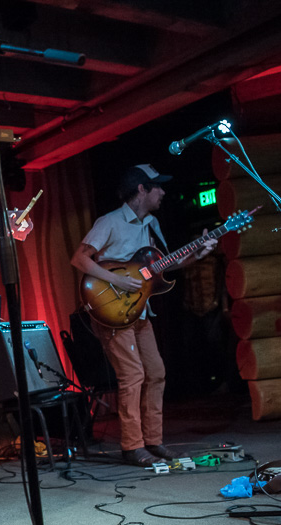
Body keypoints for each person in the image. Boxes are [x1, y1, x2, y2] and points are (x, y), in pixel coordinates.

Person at [70, 164, 216, 466]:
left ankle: (153, 441)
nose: (163, 192)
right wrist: (118, 280)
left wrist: (197, 254)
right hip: (112, 308)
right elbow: (79, 258)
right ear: (141, 189)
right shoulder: (109, 221)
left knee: (157, 372)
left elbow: (160, 268)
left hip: (140, 310)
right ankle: (132, 445)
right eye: (157, 187)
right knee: (132, 374)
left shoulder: (152, 224)